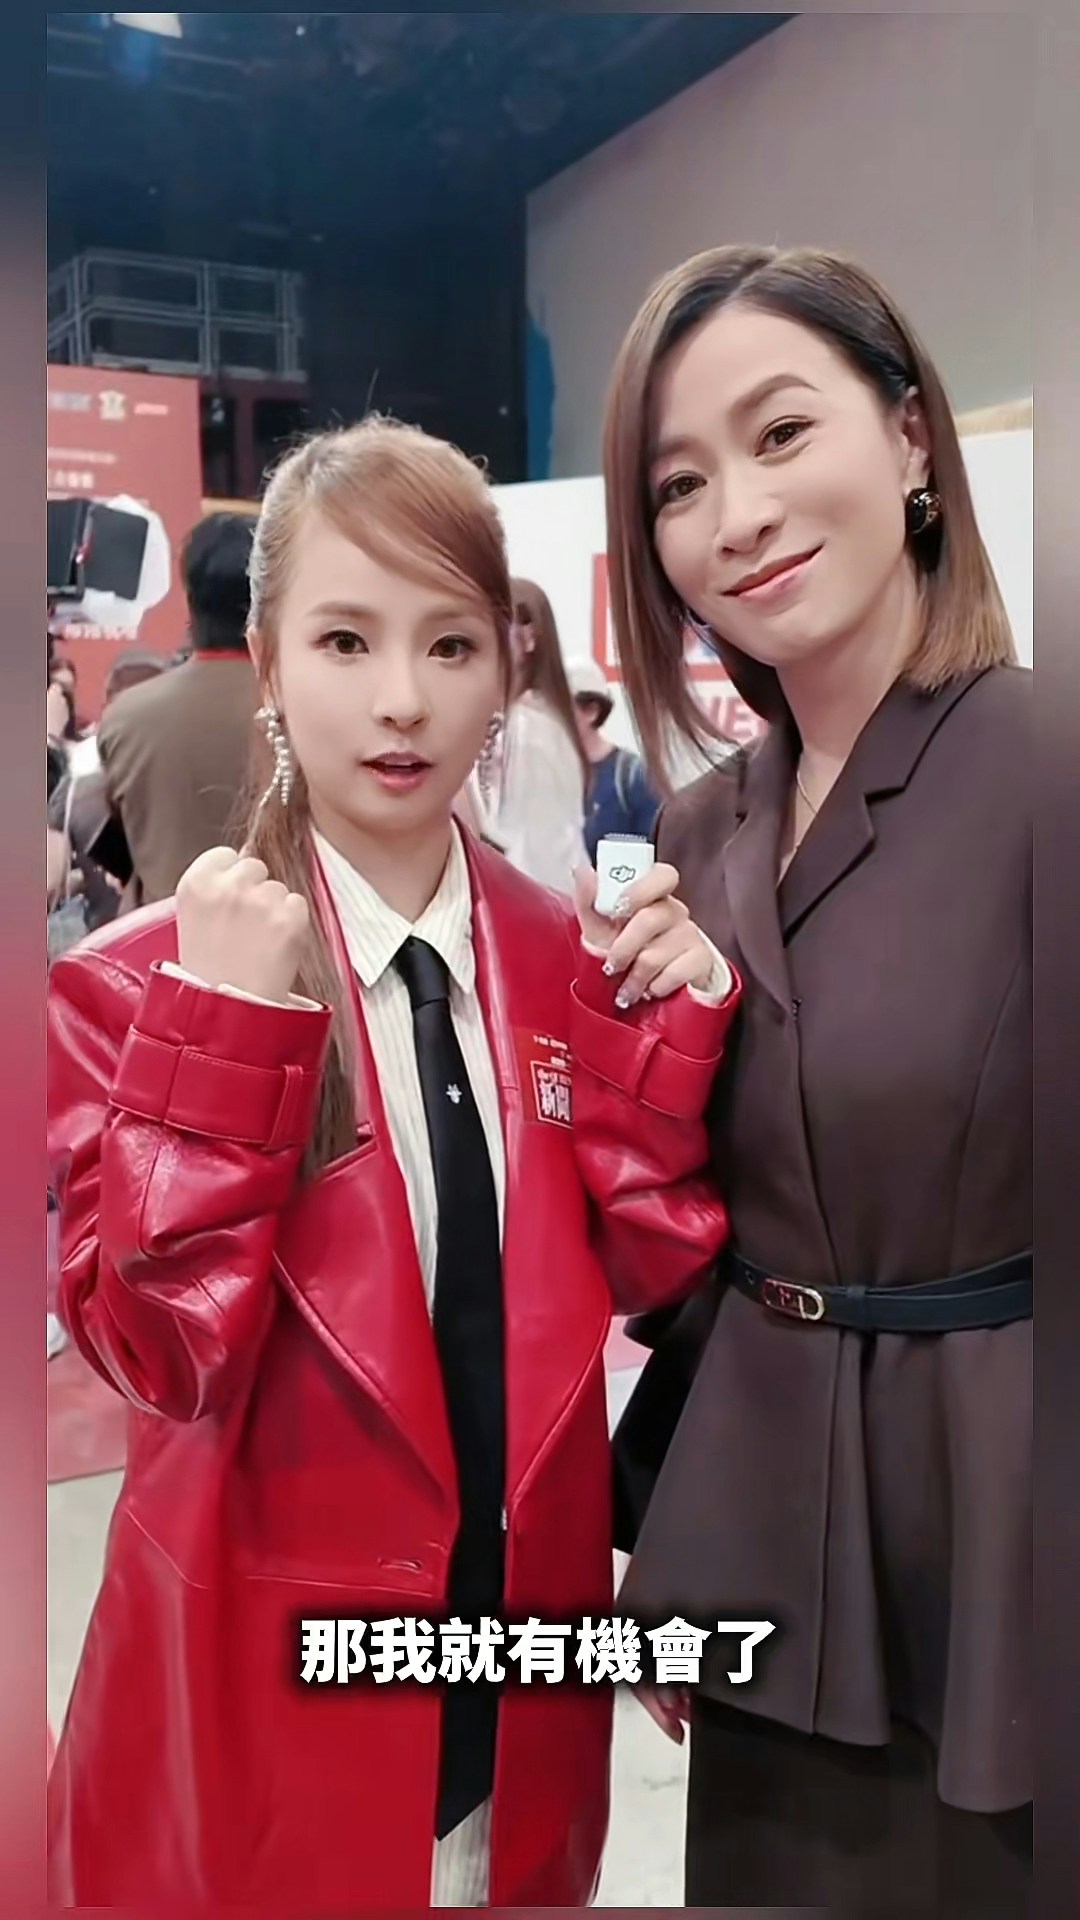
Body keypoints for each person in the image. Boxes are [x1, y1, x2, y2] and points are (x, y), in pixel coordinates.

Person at [46, 416, 740, 1909]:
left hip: (515, 1688)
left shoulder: (561, 957)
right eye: (346, 641)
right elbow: (157, 1352)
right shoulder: (136, 985)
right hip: (259, 1712)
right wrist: (224, 1035)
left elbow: (646, 1269)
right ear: (270, 666)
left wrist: (665, 1038)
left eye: (450, 644)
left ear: (504, 668)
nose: (404, 699)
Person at [594, 245, 1031, 1913]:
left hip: (1005, 1549)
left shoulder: (1043, 769)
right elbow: (701, 1237)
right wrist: (673, 1526)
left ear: (911, 436)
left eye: (782, 434)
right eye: (681, 485)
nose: (740, 515)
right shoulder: (701, 833)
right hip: (765, 1546)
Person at [95, 511, 261, 906]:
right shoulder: (309, 711)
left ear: (191, 598)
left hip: (159, 935)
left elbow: (120, 840)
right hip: (294, 935)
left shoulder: (127, 718)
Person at [474, 577, 589, 891]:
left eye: (497, 625)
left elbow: (540, 846)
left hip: (534, 895)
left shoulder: (531, 729)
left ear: (529, 637)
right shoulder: (517, 720)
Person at [568, 656, 661, 861]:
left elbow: (653, 856)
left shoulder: (633, 777)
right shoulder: (545, 774)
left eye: (559, 707)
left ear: (591, 711)